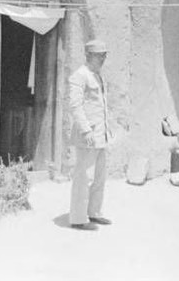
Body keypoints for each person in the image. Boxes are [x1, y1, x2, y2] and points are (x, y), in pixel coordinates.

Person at [68, 39, 113, 230]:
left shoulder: (98, 76)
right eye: (98, 56)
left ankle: (94, 212)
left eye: (104, 55)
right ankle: (78, 218)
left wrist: (107, 129)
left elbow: (100, 106)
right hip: (87, 135)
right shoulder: (79, 76)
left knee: (99, 176)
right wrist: (86, 129)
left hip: (100, 135)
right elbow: (75, 106)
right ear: (88, 56)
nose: (102, 59)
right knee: (83, 176)